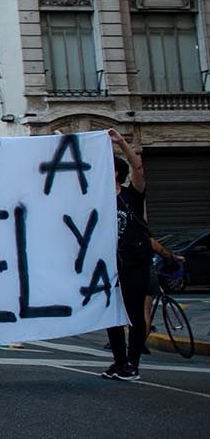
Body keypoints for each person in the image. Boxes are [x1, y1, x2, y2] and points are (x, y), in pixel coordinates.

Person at [103, 129, 149, 382]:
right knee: (112, 313)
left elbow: (139, 167)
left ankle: (133, 363)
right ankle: (120, 362)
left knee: (132, 312)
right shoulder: (96, 200)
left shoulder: (132, 195)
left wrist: (121, 143)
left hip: (134, 262)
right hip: (109, 265)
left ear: (116, 174)